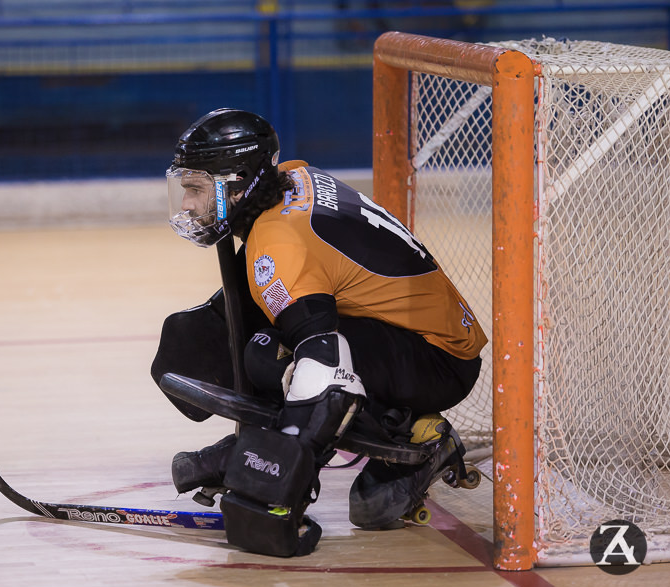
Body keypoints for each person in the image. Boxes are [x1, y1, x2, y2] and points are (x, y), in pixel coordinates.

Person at [151, 108, 487, 557]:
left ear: (238, 183)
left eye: (196, 189)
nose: (188, 204)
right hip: (417, 333)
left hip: (437, 359)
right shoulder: (291, 178)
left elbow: (326, 369)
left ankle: (418, 438)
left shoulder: (279, 245)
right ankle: (400, 425)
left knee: (273, 358)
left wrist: (263, 471)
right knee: (264, 341)